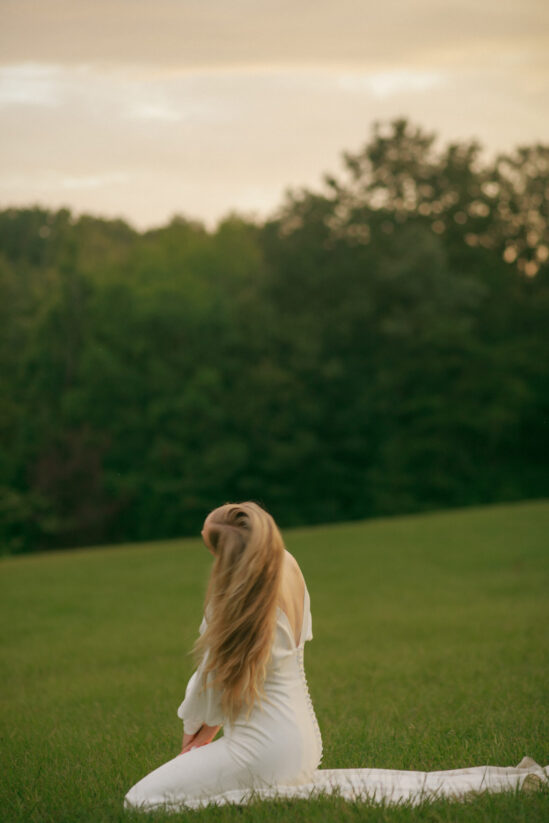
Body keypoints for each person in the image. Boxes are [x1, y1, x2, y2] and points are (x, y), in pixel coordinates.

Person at [124, 502, 548, 811]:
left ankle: (258, 799)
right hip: (305, 741)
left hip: (265, 750)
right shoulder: (287, 568)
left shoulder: (233, 602)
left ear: (224, 555)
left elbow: (209, 688)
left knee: (142, 801)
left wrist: (191, 741)